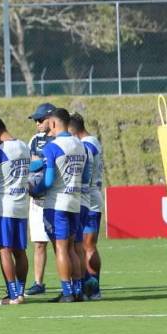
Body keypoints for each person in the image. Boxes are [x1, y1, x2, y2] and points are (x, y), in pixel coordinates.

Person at [30, 108, 90, 303]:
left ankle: (67, 292)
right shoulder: (81, 145)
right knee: (72, 248)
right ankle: (78, 290)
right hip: (75, 201)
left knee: (61, 248)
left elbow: (47, 182)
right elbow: (86, 177)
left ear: (54, 123)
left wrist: (34, 189)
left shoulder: (52, 147)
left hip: (57, 204)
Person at [0, 116, 31, 305]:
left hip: (2, 207)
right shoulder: (24, 147)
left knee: (4, 250)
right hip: (21, 205)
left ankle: (12, 295)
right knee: (20, 251)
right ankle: (21, 293)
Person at [70, 112, 104, 300]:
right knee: (83, 245)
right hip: (87, 197)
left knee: (88, 245)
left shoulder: (88, 144)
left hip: (90, 199)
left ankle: (93, 286)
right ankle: (87, 285)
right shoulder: (91, 141)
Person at [25, 102, 57, 295]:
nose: (37, 123)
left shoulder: (60, 139)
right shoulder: (34, 140)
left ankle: (68, 281)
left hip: (55, 198)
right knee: (39, 243)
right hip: (37, 200)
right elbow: (29, 164)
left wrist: (42, 164)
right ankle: (38, 282)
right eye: (35, 120)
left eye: (40, 119)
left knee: (60, 243)